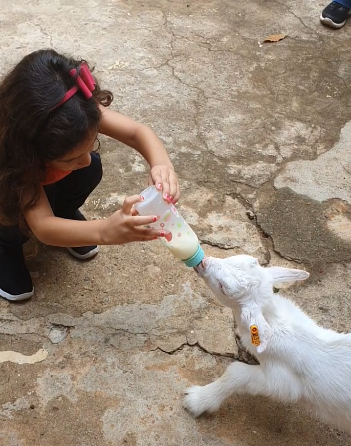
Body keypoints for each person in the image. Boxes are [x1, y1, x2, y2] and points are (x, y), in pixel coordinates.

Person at [0, 49, 180, 302]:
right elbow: (43, 227)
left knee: (91, 168)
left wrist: (161, 165)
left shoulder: (75, 110)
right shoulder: (16, 157)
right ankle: (6, 248)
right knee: (11, 214)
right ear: (33, 153)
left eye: (92, 142)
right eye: (70, 158)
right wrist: (104, 231)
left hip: (42, 174)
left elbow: (137, 132)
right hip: (8, 192)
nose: (83, 160)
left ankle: (64, 213)